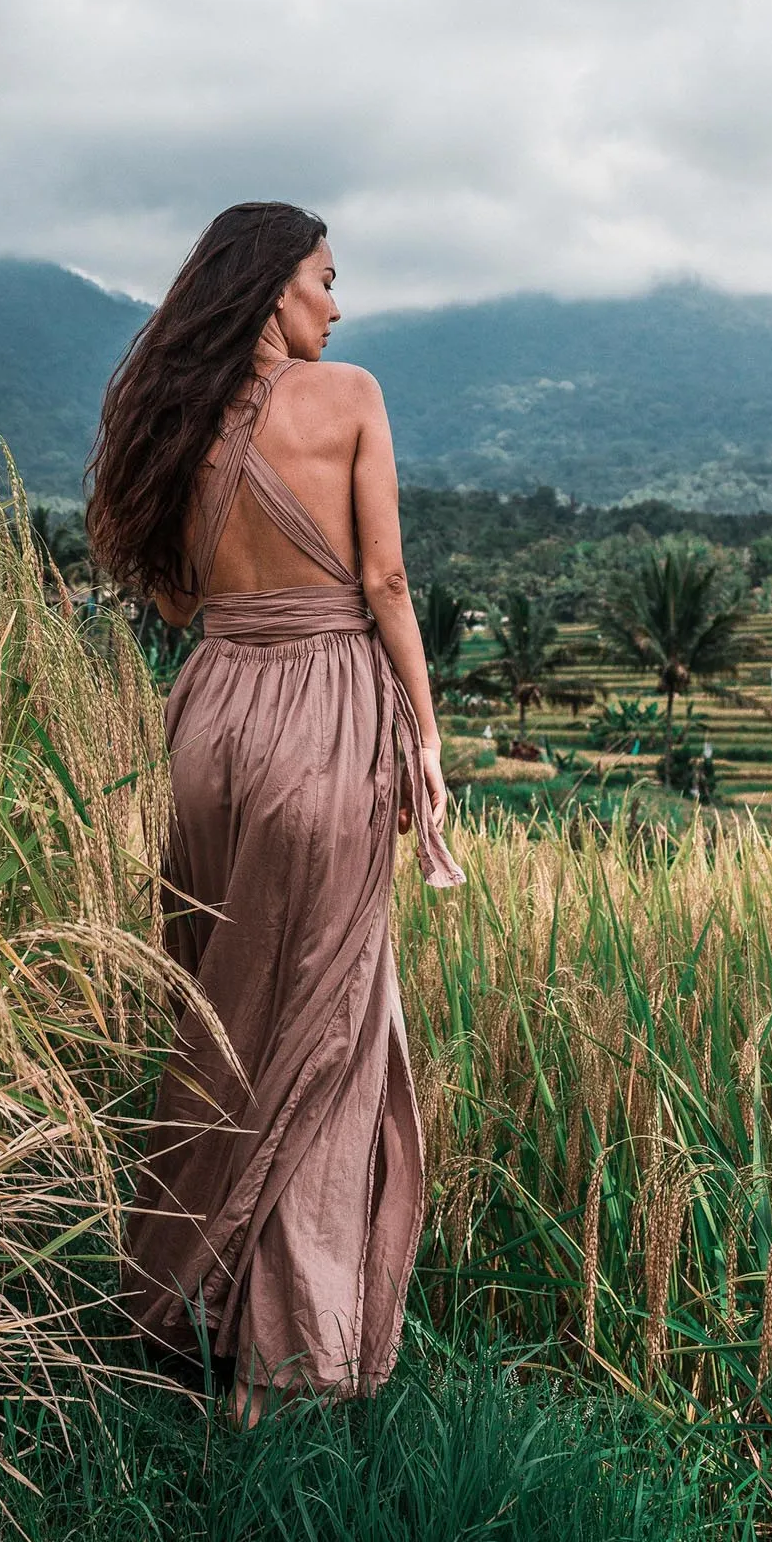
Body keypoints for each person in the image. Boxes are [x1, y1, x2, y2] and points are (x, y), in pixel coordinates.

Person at [86, 200, 464, 1425]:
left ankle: (180, 1298)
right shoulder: (348, 394)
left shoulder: (173, 418)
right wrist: (424, 727)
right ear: (272, 288)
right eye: (326, 277)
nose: (338, 306)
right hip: (324, 719)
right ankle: (282, 1369)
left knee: (222, 1012)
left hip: (209, 724)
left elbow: (168, 593)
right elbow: (387, 579)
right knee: (329, 1030)